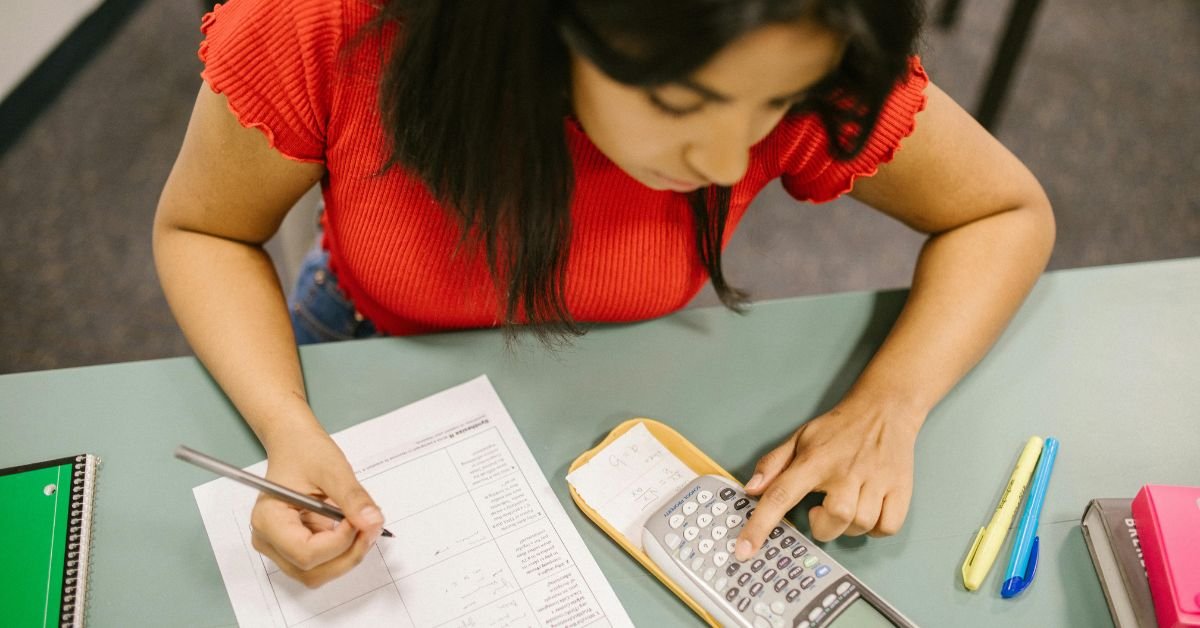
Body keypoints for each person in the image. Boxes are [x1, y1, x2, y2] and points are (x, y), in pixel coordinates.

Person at [154, 0, 1055, 588]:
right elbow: (205, 230)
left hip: (616, 389)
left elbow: (1004, 212)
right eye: (687, 101)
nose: (729, 162)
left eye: (774, 104)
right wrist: (286, 426)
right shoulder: (320, 23)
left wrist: (892, 404)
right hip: (359, 339)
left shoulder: (799, 31)